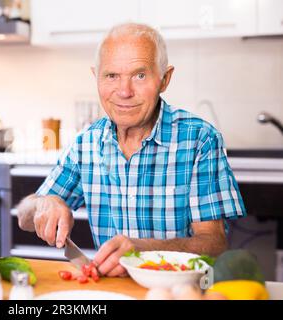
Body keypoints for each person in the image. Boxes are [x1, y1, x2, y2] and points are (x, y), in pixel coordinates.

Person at [16, 23, 246, 277]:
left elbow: (215, 246)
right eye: (111, 76)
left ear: (164, 79)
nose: (124, 92)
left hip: (182, 291)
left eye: (139, 75)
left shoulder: (200, 140)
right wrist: (43, 205)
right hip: (113, 292)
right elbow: (24, 216)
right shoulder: (86, 144)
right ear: (97, 78)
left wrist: (141, 251)